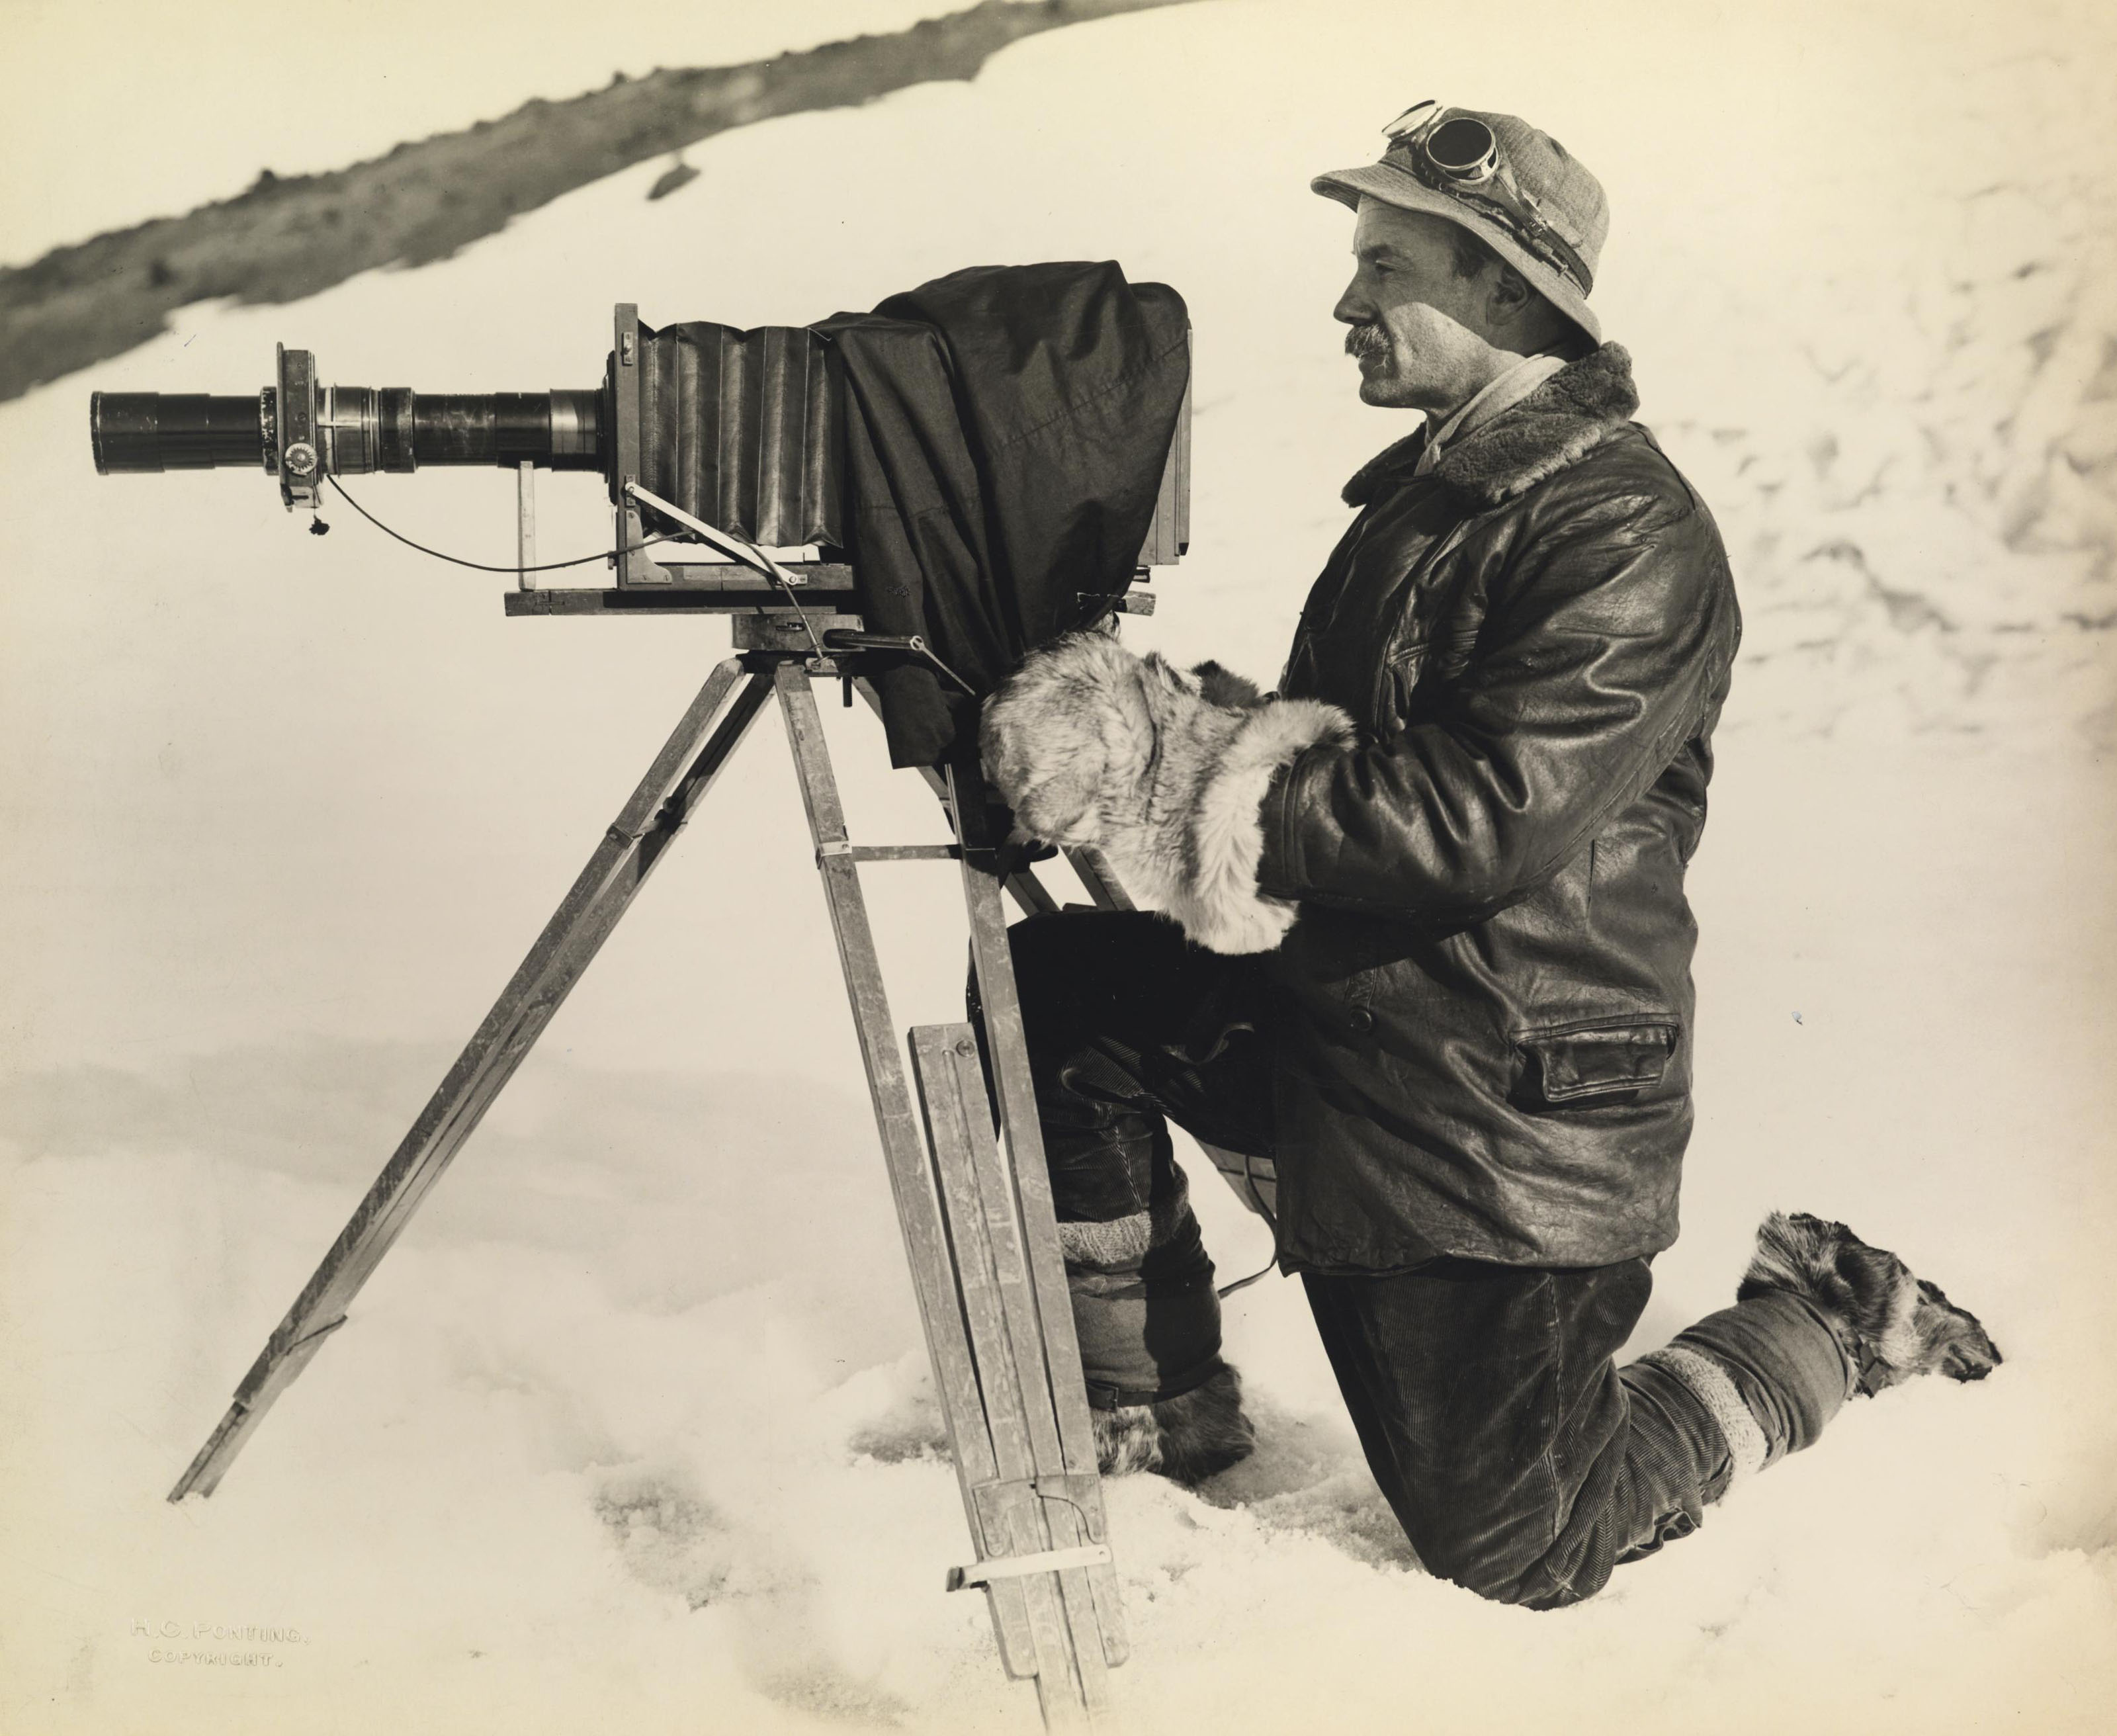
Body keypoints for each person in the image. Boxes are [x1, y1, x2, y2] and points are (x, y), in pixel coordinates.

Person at [976, 103, 2002, 1609]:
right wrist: (1166, 723)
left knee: (1523, 1547)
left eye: (1383, 267)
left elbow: (1473, 817)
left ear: (1511, 293)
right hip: (1361, 1038)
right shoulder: (1433, 502)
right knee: (1066, 987)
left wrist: (1179, 769)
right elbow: (1351, 746)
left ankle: (1823, 1328)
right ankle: (1156, 1401)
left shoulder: (1623, 533)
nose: (1344, 304)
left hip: (1496, 1110)